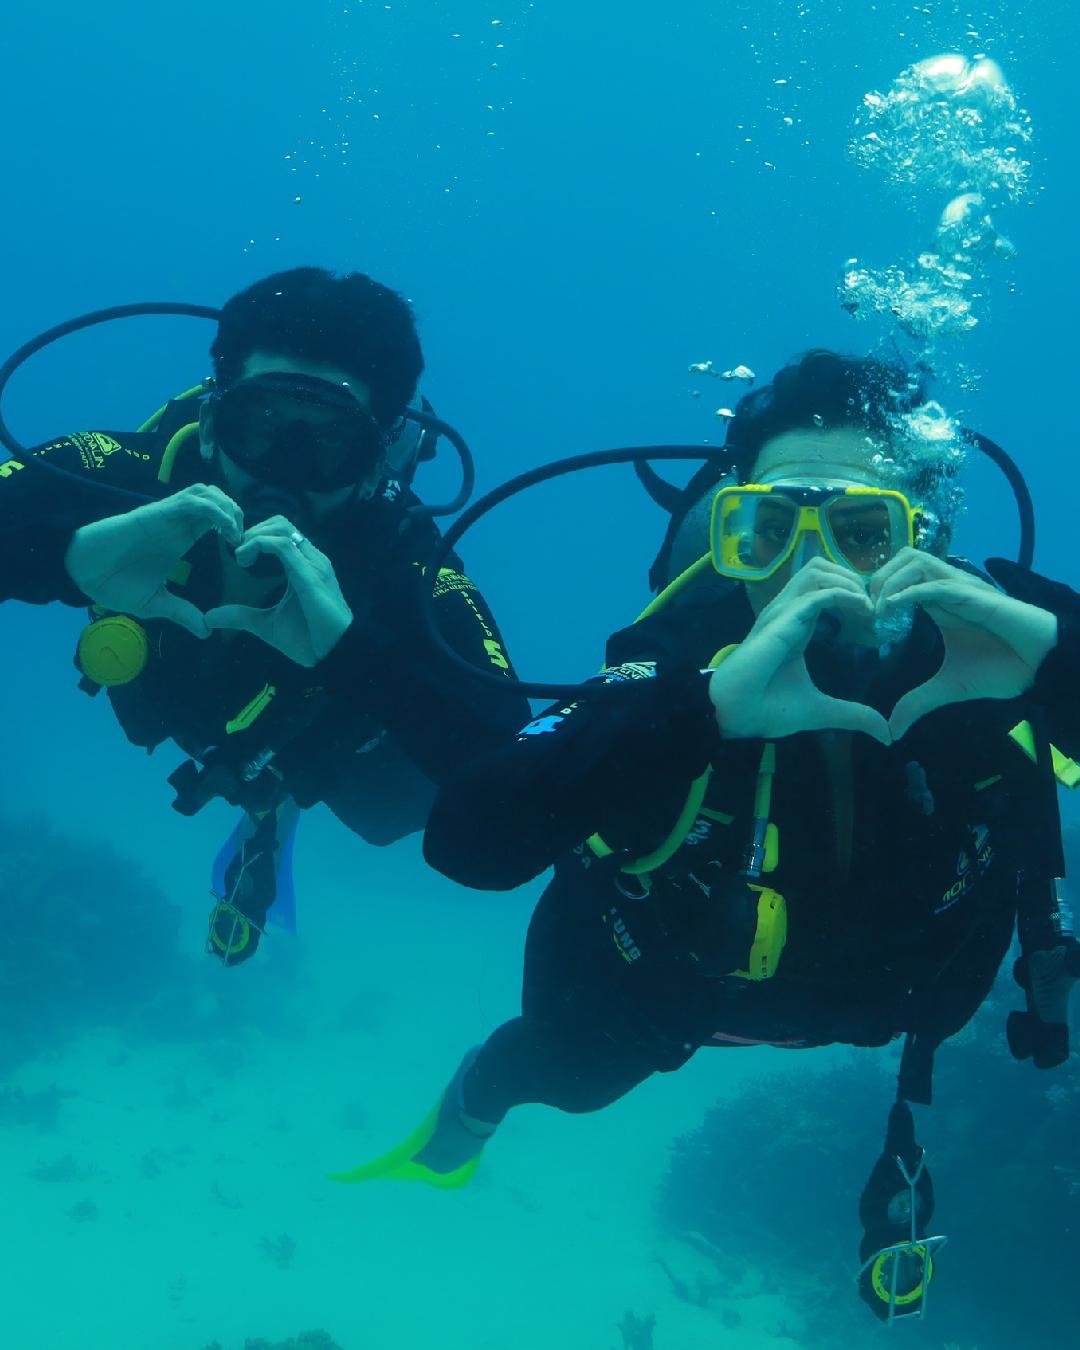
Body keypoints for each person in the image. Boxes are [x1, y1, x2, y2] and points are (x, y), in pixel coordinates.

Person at [334, 350, 1080, 1319]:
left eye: (861, 532)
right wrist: (701, 716)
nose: (813, 575)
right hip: (659, 995)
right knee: (563, 1078)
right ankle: (473, 1104)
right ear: (730, 532)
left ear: (922, 532)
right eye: (771, 530)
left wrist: (1064, 672)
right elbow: (472, 839)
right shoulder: (679, 657)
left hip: (904, 998)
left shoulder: (1007, 643)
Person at [0, 267, 526, 965]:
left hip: (325, 738)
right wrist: (52, 557)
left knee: (387, 814)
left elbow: (519, 807)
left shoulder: (405, 570)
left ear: (375, 465)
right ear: (214, 424)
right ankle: (262, 798)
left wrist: (364, 664)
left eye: (331, 443)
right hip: (180, 699)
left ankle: (277, 803)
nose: (284, 473)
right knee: (160, 716)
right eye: (262, 426)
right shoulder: (118, 477)